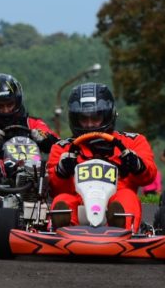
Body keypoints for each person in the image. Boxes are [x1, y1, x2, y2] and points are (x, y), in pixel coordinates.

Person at [47, 82, 157, 231]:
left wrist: (137, 165)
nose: (90, 125)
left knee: (127, 197)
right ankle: (65, 230)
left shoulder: (133, 142)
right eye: (84, 119)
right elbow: (54, 190)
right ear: (75, 119)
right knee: (62, 201)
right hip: (80, 203)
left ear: (107, 116)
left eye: (95, 118)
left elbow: (148, 176)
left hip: (116, 198)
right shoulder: (63, 148)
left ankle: (119, 228)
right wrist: (62, 171)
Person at [0, 73, 58, 172]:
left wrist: (45, 138)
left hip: (34, 174)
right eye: (0, 106)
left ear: (17, 102)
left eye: (10, 104)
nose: (6, 110)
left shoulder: (33, 122)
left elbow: (59, 146)